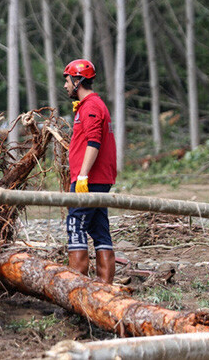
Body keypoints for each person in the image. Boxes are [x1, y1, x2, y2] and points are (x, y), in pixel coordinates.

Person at [63, 59, 118, 284]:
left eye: (67, 80)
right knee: (99, 229)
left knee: (76, 225)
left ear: (78, 81)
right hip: (97, 179)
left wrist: (83, 176)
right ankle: (104, 287)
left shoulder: (92, 107)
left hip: (90, 180)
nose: (65, 86)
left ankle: (77, 290)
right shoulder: (89, 106)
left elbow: (93, 142)